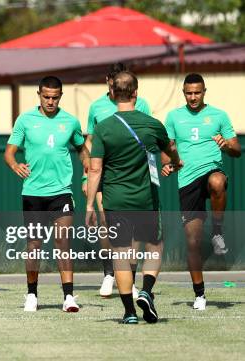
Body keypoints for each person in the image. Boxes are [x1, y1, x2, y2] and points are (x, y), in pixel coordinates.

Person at [86, 71, 182, 324]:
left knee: (120, 254)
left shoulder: (103, 128)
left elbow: (95, 169)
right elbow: (170, 149)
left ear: (114, 93)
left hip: (115, 201)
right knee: (154, 247)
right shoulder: (152, 124)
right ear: (136, 94)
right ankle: (147, 291)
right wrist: (176, 161)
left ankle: (129, 312)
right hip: (146, 200)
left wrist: (88, 206)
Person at [4, 76, 88, 313]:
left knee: (63, 241)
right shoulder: (25, 120)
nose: (50, 101)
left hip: (61, 192)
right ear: (39, 94)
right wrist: (15, 165)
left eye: (55, 97)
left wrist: (86, 173)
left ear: (60, 96)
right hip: (33, 192)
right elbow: (9, 152)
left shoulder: (70, 122)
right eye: (46, 97)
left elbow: (83, 149)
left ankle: (69, 296)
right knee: (34, 244)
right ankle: (32, 294)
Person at [162, 73, 241, 311]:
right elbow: (168, 149)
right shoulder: (174, 117)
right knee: (193, 242)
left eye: (197, 92)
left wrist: (226, 145)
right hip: (187, 181)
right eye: (189, 93)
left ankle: (217, 231)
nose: (193, 97)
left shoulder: (219, 115)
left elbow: (236, 149)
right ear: (184, 93)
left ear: (204, 91)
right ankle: (199, 294)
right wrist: (168, 164)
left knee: (218, 181)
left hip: (210, 171)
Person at [84, 63, 153, 298]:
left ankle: (130, 279)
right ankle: (108, 274)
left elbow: (149, 139)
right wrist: (88, 176)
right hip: (104, 173)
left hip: (133, 176)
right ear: (108, 82)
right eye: (114, 82)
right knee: (105, 221)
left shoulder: (141, 104)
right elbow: (90, 142)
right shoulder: (96, 107)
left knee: (132, 230)